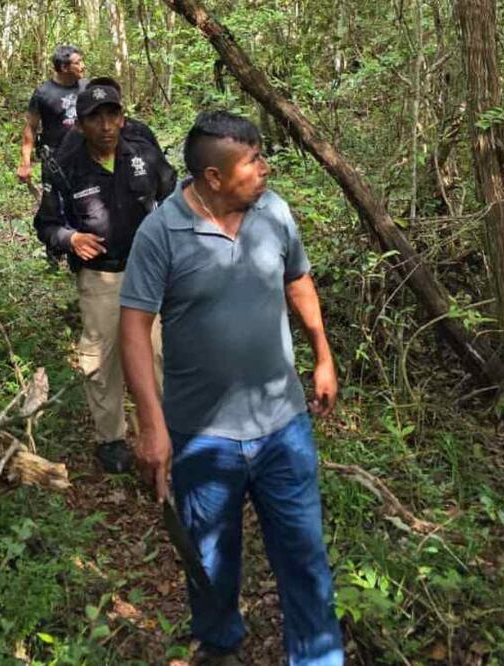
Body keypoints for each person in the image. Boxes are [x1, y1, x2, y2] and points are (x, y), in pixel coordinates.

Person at [118, 110, 343, 666]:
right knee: (210, 560)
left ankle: (317, 657)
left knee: (304, 555)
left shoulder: (274, 211)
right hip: (202, 435)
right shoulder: (161, 233)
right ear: (213, 178)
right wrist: (152, 427)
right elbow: (133, 331)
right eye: (254, 162)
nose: (265, 169)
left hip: (282, 426)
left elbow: (298, 281)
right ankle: (220, 645)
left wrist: (323, 356)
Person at [33, 78, 176, 473]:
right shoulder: (65, 165)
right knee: (100, 359)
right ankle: (111, 438)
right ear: (80, 125)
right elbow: (45, 224)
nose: (106, 126)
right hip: (100, 277)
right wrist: (70, 237)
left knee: (158, 352)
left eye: (112, 115)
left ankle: (162, 429)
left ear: (122, 117)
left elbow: (171, 191)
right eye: (95, 119)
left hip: (146, 272)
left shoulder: (143, 152)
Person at [17, 45, 87, 184]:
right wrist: (25, 162)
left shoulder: (88, 87)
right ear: (64, 68)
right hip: (55, 161)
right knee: (56, 204)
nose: (83, 66)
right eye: (78, 62)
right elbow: (30, 127)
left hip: (86, 157)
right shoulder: (43, 93)